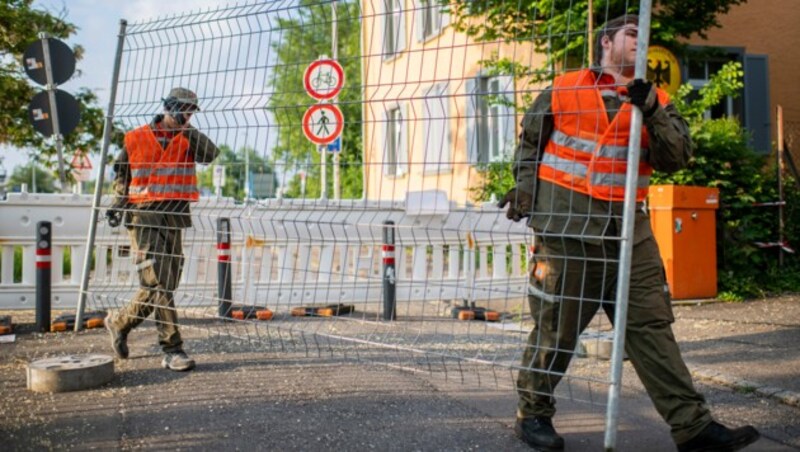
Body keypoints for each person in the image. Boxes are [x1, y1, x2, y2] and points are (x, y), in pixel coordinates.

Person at [498, 15, 760, 452]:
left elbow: (677, 157)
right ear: (607, 42)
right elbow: (530, 145)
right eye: (633, 35)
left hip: (629, 231)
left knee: (651, 328)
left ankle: (692, 427)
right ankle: (533, 412)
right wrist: (525, 192)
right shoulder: (564, 88)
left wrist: (652, 111)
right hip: (567, 228)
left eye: (645, 37)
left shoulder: (655, 98)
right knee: (557, 329)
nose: (641, 42)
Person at [105, 87, 219, 372]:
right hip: (143, 218)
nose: (188, 115)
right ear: (168, 107)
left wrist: (186, 129)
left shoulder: (187, 138)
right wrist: (117, 203)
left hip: (175, 218)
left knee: (163, 284)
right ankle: (172, 349)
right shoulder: (136, 138)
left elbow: (210, 155)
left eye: (192, 111)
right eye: (184, 110)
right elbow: (122, 174)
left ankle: (120, 322)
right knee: (158, 283)